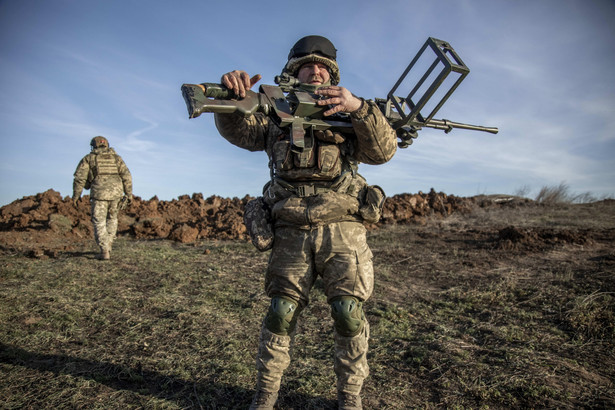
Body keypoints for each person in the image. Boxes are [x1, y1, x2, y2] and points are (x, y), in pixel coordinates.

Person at [214, 35, 397, 409]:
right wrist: (230, 101)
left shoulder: (350, 113)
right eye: (308, 66)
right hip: (290, 230)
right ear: (292, 71)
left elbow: (383, 151)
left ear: (332, 76)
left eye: (323, 68)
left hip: (342, 229)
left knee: (349, 314)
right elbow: (239, 132)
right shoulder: (275, 111)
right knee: (281, 313)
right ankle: (265, 395)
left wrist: (359, 109)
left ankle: (350, 398)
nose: (316, 72)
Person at [72, 136, 132, 260]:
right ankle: (108, 245)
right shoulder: (117, 158)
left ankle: (104, 250)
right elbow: (127, 176)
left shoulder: (89, 158)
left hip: (99, 194)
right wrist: (128, 194)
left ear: (93, 145)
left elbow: (80, 178)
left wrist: (76, 195)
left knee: (99, 222)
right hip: (116, 194)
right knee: (112, 219)